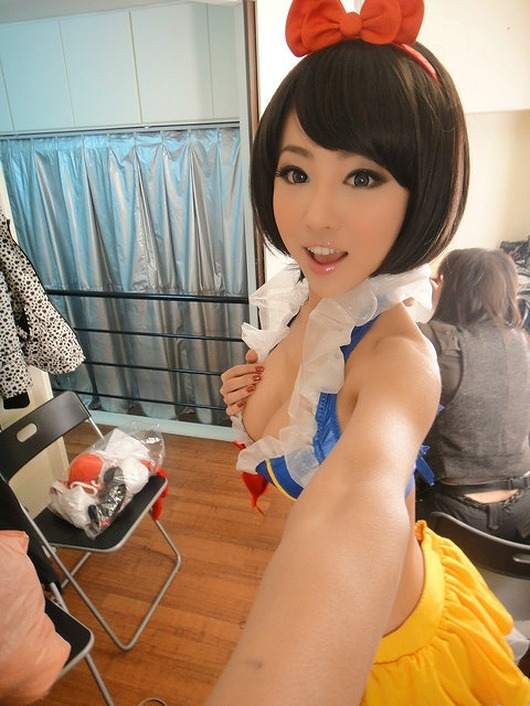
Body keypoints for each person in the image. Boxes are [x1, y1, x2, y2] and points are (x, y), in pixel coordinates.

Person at [209, 1, 530, 704]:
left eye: (363, 177)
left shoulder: (398, 359)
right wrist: (253, 396)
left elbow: (361, 493)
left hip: (393, 656)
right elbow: (295, 421)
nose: (316, 216)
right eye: (296, 172)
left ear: (421, 193)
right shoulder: (310, 301)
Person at [416, 248, 530, 540]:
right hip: (521, 510)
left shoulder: (434, 340)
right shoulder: (522, 343)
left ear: (449, 286)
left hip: (452, 514)